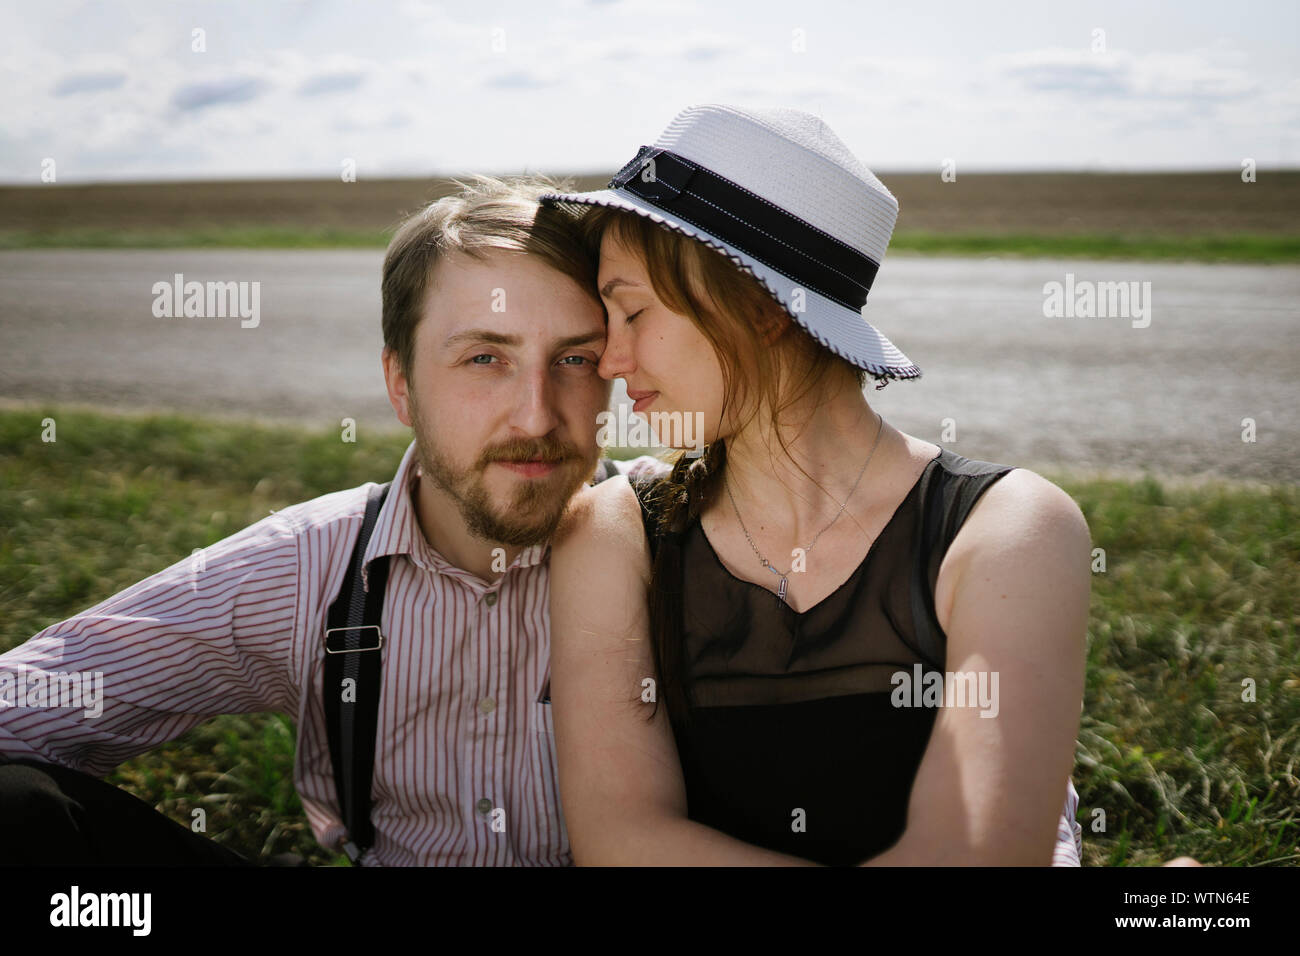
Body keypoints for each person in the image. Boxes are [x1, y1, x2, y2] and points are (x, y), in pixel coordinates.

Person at [0, 174, 665, 866]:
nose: (536, 414)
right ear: (401, 384)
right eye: (484, 358)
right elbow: (23, 706)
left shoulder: (683, 528)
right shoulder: (308, 567)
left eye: (575, 358)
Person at [543, 104, 1092, 866]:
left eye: (633, 310)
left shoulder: (1005, 530)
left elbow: (975, 854)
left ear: (765, 309)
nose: (610, 359)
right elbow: (622, 843)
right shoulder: (615, 534)